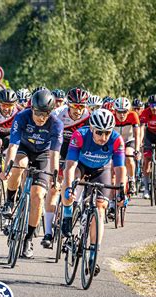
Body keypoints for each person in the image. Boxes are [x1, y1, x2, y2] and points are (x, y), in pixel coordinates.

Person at [61, 109, 126, 275]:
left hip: (101, 170)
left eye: (107, 133)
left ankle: (93, 254)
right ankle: (68, 216)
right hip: (80, 167)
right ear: (91, 128)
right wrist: (69, 188)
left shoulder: (117, 139)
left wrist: (121, 192)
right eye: (99, 132)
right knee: (71, 184)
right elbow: (70, 166)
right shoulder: (80, 135)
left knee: (100, 209)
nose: (103, 137)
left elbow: (119, 169)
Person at [0, 89, 63, 258]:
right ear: (32, 108)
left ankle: (28, 238)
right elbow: (12, 147)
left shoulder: (56, 124)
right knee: (19, 165)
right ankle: (9, 201)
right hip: (24, 149)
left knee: (37, 196)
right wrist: (7, 169)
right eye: (38, 113)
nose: (42, 118)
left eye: (46, 114)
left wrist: (55, 177)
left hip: (44, 154)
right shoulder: (21, 117)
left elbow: (55, 155)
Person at [41, 87, 90, 248]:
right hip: (60, 147)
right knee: (54, 188)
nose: (78, 110)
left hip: (79, 150)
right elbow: (49, 139)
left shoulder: (89, 117)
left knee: (75, 188)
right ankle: (48, 231)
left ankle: (70, 216)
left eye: (81, 107)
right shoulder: (57, 114)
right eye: (75, 106)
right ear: (68, 104)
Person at [113, 97, 141, 194]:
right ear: (115, 111)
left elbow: (137, 134)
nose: (121, 115)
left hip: (129, 140)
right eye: (119, 112)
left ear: (128, 111)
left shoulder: (133, 115)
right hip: (116, 142)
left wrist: (137, 150)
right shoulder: (111, 117)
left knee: (129, 155)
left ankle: (131, 179)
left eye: (124, 112)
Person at [0, 89, 20, 154]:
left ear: (15, 104)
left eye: (10, 105)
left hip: (10, 134)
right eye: (4, 105)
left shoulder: (20, 111)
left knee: (11, 152)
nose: (6, 108)